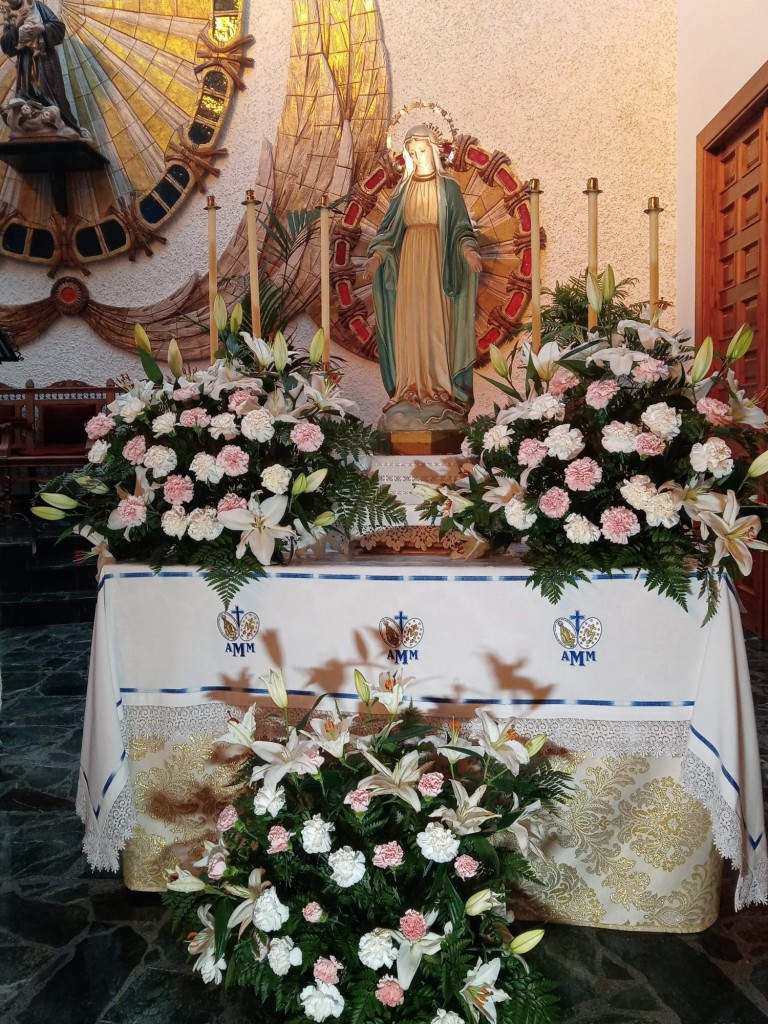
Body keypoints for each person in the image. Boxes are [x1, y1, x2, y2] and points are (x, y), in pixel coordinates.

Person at [364, 124, 481, 430]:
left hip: (438, 266)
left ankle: (441, 392)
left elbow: (459, 228)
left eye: (423, 150)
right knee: (412, 324)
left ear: (433, 149)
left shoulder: (449, 188)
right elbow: (388, 231)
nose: (419, 157)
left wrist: (469, 252)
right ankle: (410, 389)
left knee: (434, 324)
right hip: (409, 268)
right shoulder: (403, 191)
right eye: (413, 153)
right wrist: (377, 257)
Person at [1, 0, 81, 134]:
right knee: (26, 96)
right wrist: (17, 24)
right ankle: (30, 118)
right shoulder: (9, 16)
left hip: (45, 60)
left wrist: (42, 28)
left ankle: (56, 120)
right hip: (25, 63)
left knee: (51, 95)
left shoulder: (37, 6)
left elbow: (59, 27)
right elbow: (7, 47)